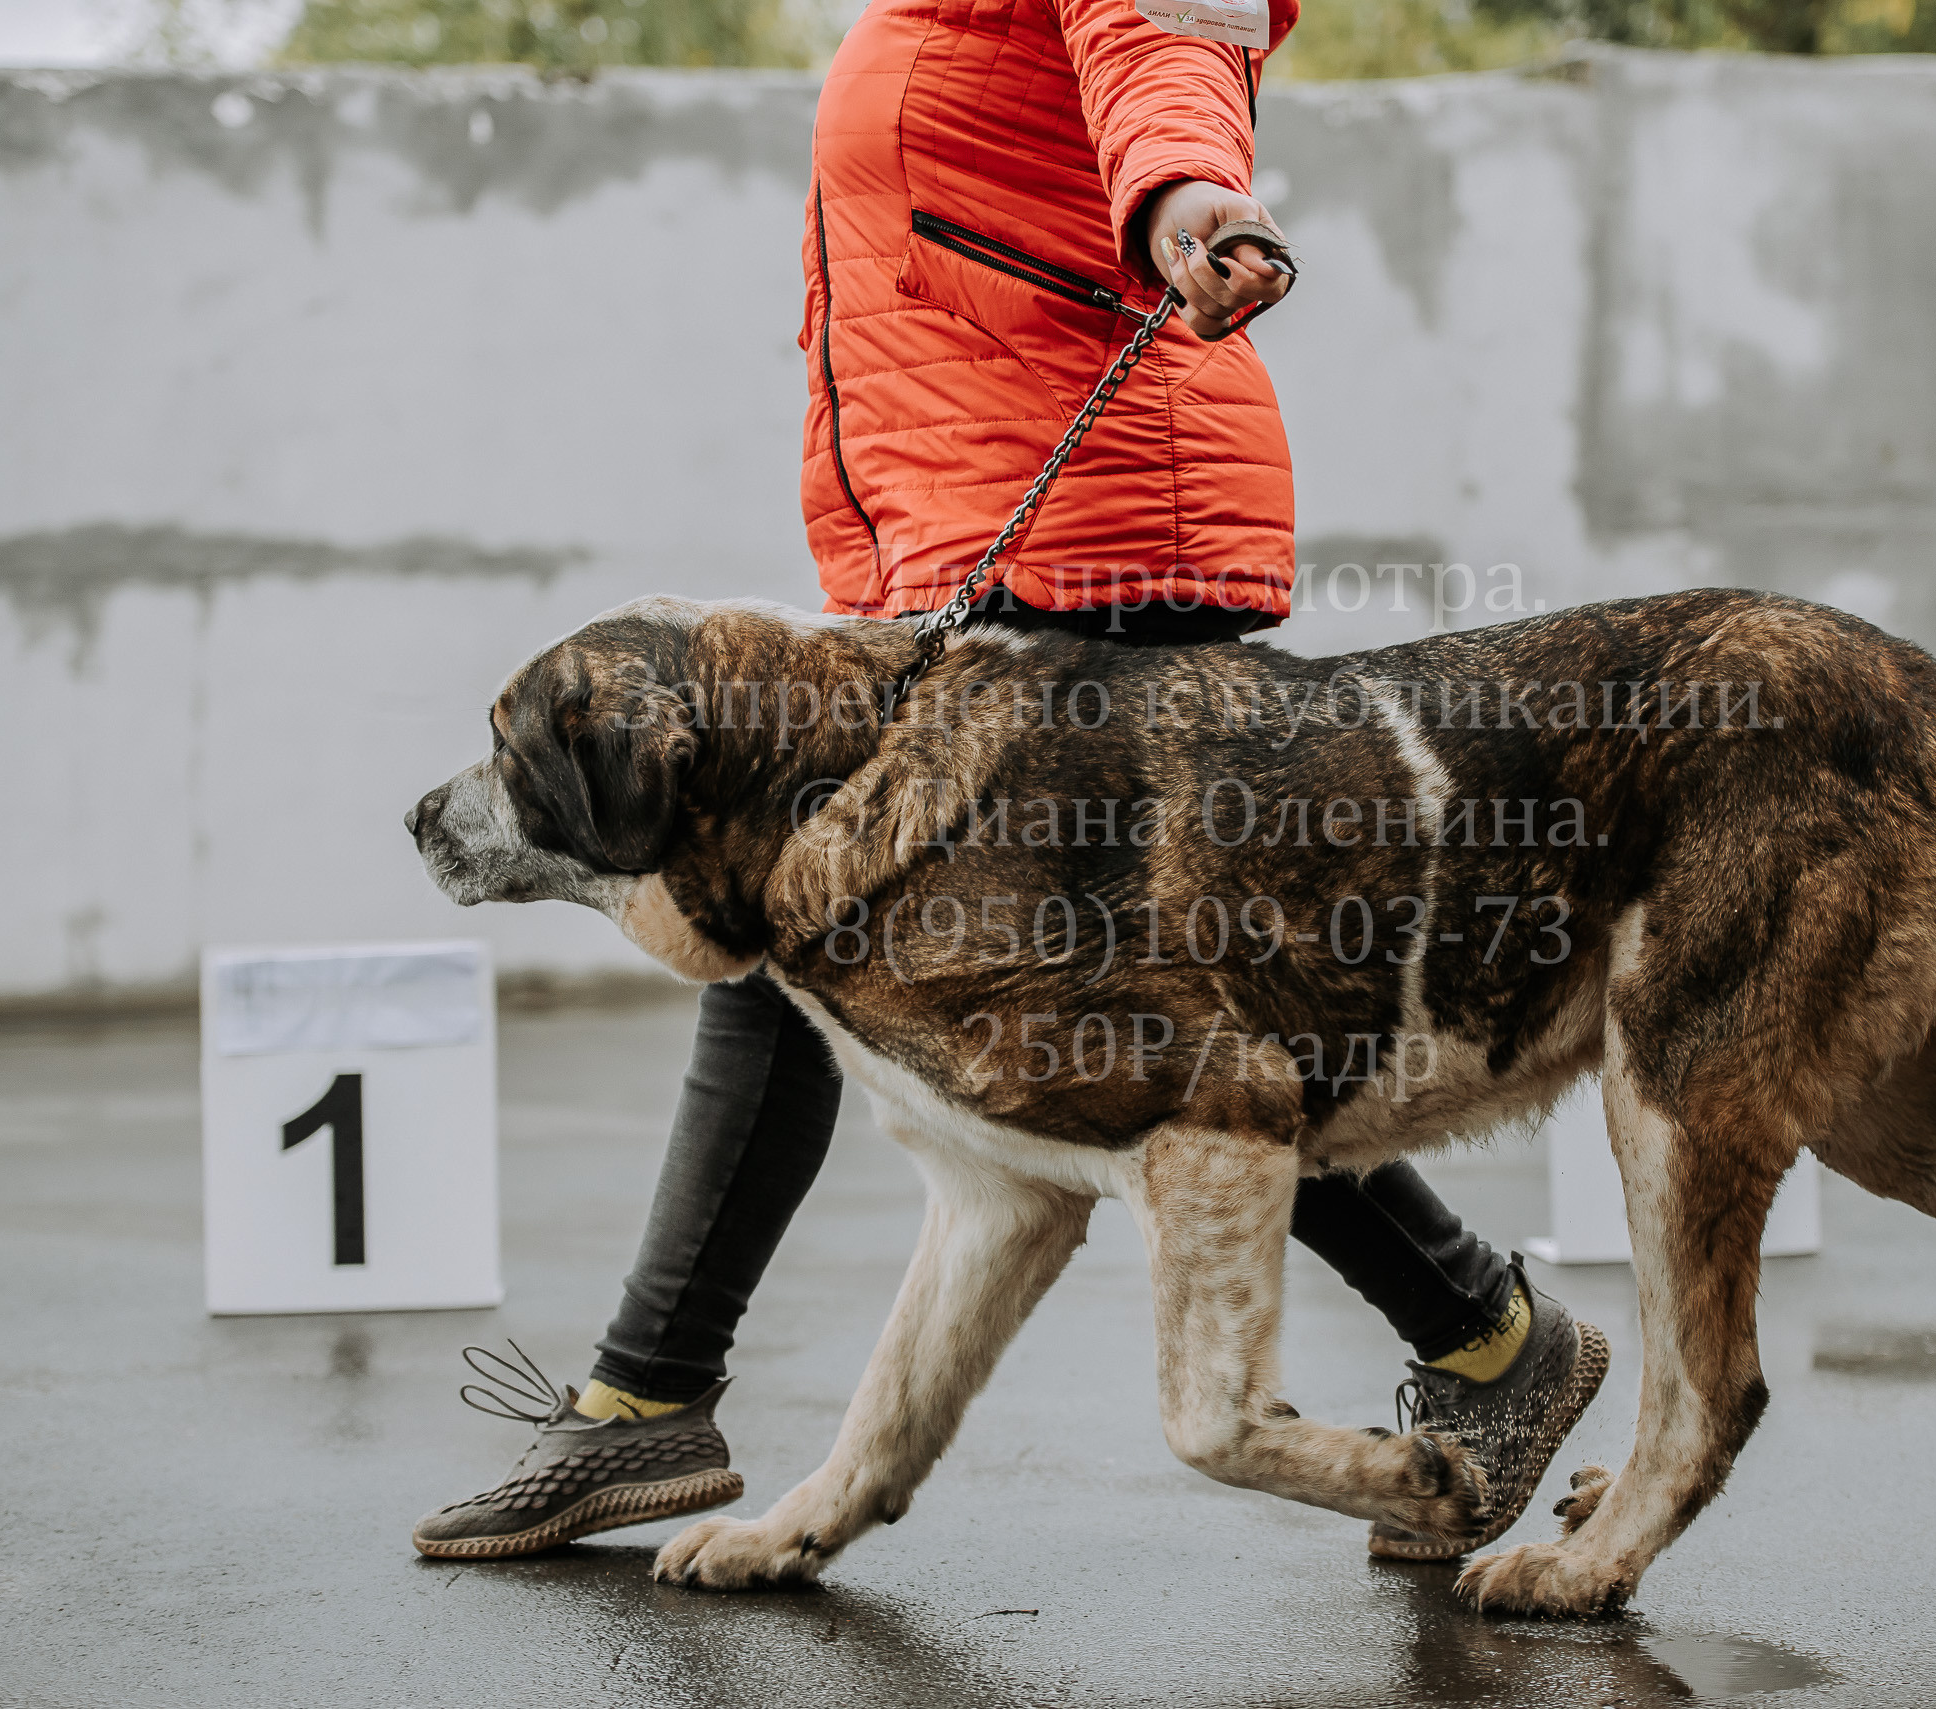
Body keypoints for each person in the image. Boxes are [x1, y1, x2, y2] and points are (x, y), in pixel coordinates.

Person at [411, 0, 1605, 1569]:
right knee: (1048, 997)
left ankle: (651, 1390)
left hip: (1088, 534)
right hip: (969, 539)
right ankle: (1488, 1337)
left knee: (1147, 1030)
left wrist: (1185, 191)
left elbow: (1164, 41)